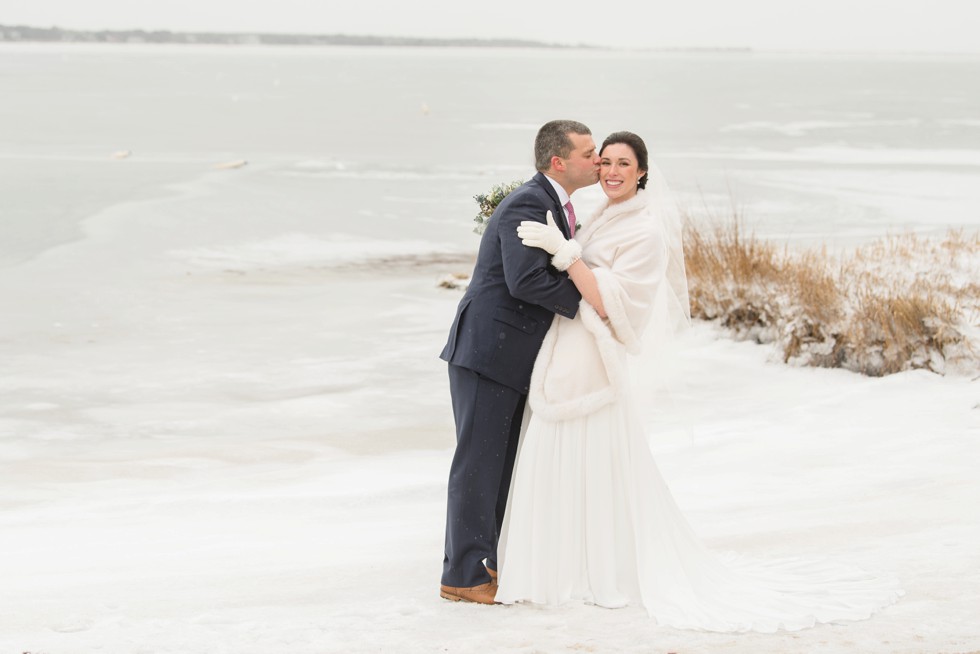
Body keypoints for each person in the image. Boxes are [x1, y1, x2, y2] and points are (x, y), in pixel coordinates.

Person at [495, 131, 903, 631]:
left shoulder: (645, 231)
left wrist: (566, 255)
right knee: (558, 457)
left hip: (596, 362)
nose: (612, 172)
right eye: (605, 162)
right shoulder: (597, 213)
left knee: (597, 461)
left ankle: (598, 571)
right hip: (567, 356)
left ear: (643, 172)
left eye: (624, 164)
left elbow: (615, 304)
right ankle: (556, 565)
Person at [437, 120, 601, 604]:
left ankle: (484, 566)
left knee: (499, 465)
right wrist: (589, 299)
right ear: (559, 162)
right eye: (589, 154)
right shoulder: (531, 203)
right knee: (478, 466)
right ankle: (463, 577)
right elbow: (524, 281)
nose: (597, 161)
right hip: (488, 353)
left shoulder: (555, 204)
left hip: (507, 356)